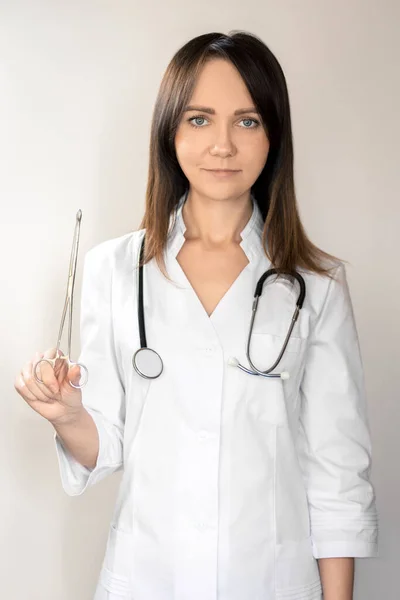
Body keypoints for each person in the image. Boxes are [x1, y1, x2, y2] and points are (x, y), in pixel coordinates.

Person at [15, 31, 378, 600]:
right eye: (201, 119)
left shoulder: (318, 286)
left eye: (248, 121)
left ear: (274, 134)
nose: (224, 145)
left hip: (272, 583)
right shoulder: (115, 269)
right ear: (170, 131)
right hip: (147, 578)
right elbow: (104, 445)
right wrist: (66, 415)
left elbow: (339, 480)